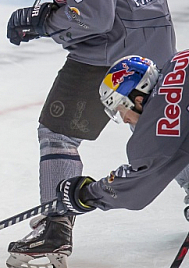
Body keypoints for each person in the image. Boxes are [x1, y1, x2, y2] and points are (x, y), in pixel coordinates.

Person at [4, 0, 176, 268]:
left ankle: (53, 232)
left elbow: (92, 16)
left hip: (115, 43)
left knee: (57, 131)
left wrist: (44, 21)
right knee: (169, 129)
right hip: (153, 28)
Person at [47, 51, 189, 222]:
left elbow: (138, 188)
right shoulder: (177, 61)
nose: (124, 119)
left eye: (121, 110)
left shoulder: (159, 125)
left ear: (137, 99)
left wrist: (86, 194)